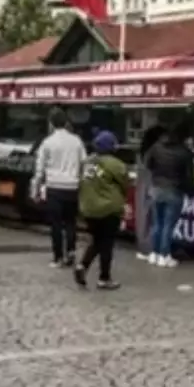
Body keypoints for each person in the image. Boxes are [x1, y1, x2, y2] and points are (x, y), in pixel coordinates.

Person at [74, 131, 129, 291]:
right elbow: (125, 184)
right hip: (108, 208)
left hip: (88, 208)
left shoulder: (86, 162)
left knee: (97, 241)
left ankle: (82, 266)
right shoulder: (116, 164)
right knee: (107, 243)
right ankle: (104, 278)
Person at [33, 109, 87, 268]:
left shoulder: (47, 142)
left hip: (54, 186)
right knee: (70, 222)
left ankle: (57, 256)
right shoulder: (76, 141)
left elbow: (39, 169)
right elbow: (84, 162)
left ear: (51, 123)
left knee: (56, 224)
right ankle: (70, 252)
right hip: (72, 186)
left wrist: (36, 188)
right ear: (66, 123)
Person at [144, 121, 194, 268]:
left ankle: (154, 253)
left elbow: (147, 164)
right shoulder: (184, 152)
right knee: (168, 225)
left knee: (157, 223)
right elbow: (189, 176)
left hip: (156, 189)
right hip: (174, 190)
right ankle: (165, 255)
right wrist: (191, 192)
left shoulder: (156, 147)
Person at [134, 125, 166, 262]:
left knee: (143, 217)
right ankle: (151, 248)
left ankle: (143, 247)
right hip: (153, 184)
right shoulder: (155, 152)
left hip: (142, 185)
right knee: (155, 219)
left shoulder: (142, 152)